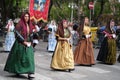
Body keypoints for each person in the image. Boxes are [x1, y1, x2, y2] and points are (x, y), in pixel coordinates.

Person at [4, 12, 35, 79]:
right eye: (25, 16)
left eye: (28, 16)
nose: (27, 18)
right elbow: (17, 33)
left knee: (29, 58)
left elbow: (31, 33)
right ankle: (18, 71)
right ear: (23, 17)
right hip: (20, 43)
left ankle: (30, 73)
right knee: (18, 58)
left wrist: (31, 43)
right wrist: (23, 42)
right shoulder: (20, 24)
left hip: (28, 43)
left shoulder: (30, 24)